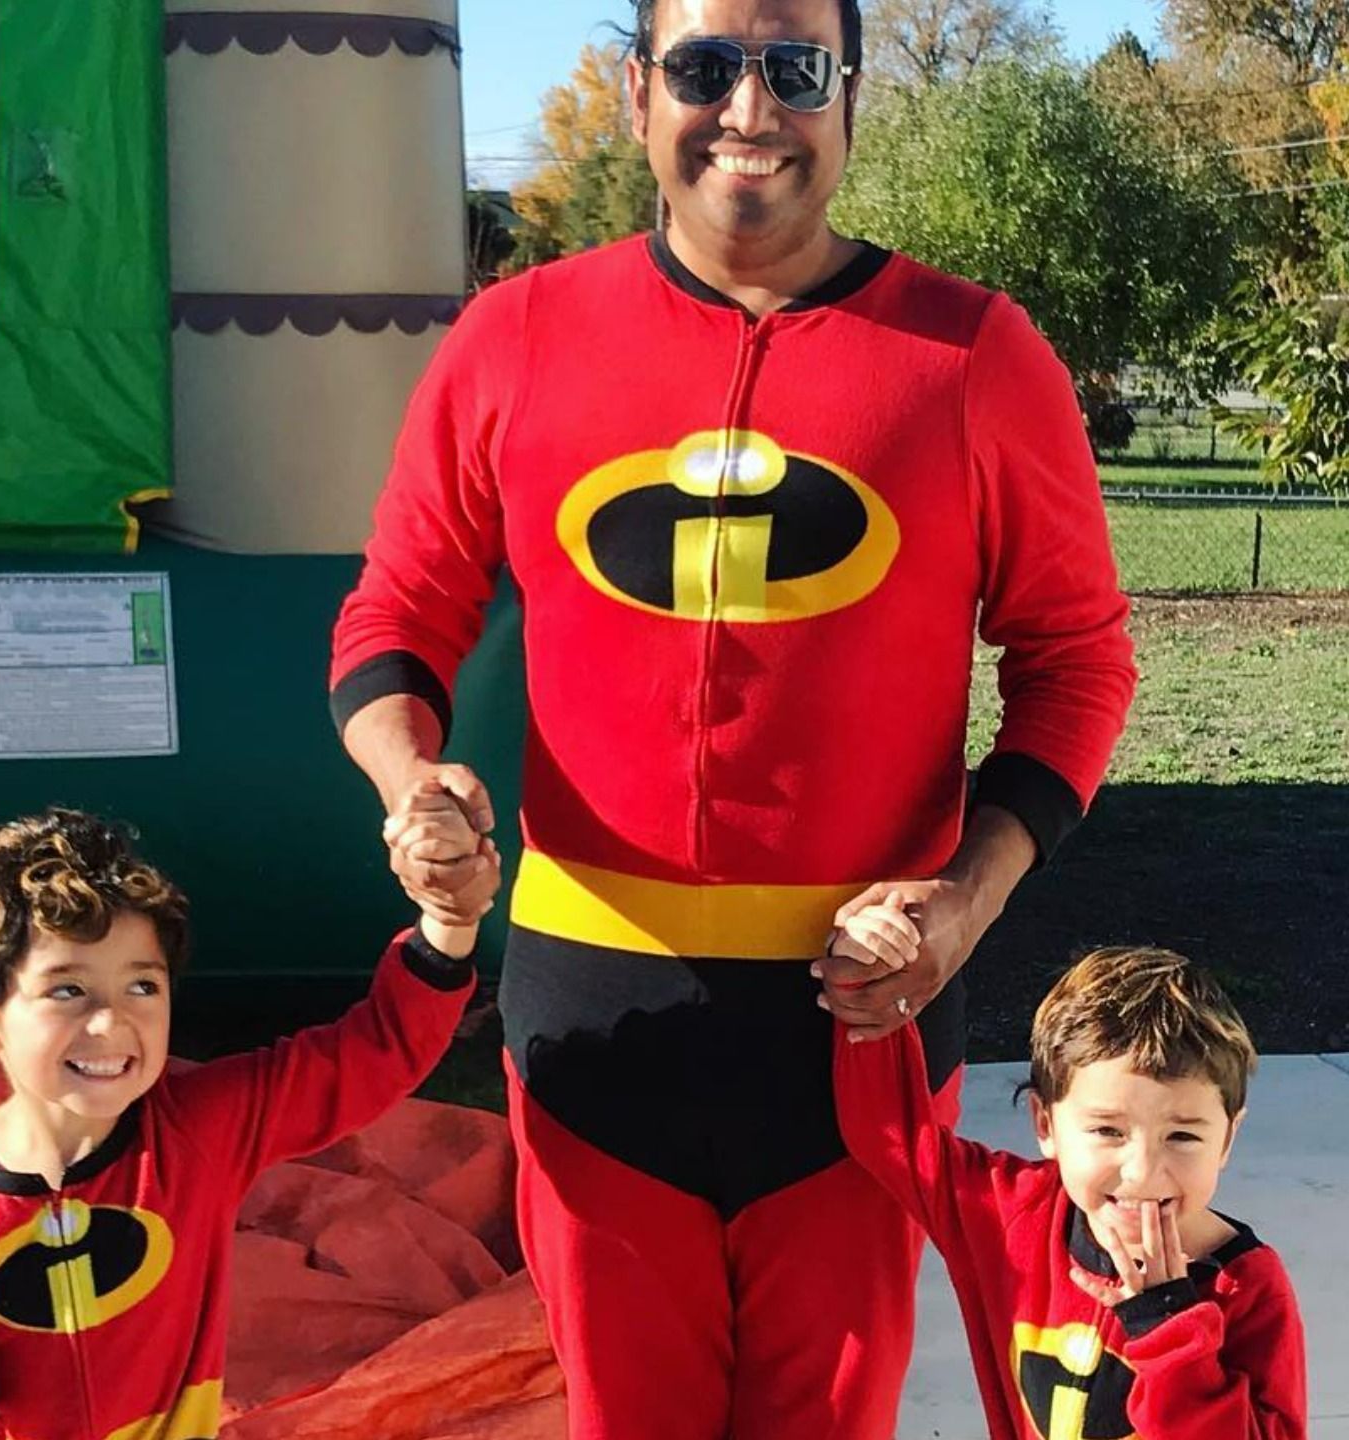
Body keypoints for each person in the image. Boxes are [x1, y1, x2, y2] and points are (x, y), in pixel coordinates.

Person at [328, 0, 1136, 1433]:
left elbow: (1077, 659)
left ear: (850, 97)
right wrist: (412, 783)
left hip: (861, 1028)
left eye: (795, 69)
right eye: (705, 67)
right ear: (638, 93)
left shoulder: (970, 353)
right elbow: (395, 611)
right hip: (592, 1028)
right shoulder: (517, 336)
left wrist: (966, 901)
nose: (750, 111)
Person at [0, 802, 481, 1440]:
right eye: (67, 990)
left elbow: (365, 1058)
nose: (111, 1021)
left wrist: (448, 924)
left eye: (142, 987)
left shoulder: (199, 1129)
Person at [833, 924, 1307, 1440]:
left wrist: (1170, 1330)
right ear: (1045, 1124)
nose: (1142, 1171)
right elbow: (893, 1136)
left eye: (1182, 1137)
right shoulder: (1011, 1215)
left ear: (1227, 1139)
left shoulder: (1245, 1289)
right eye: (1108, 1131)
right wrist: (871, 980)